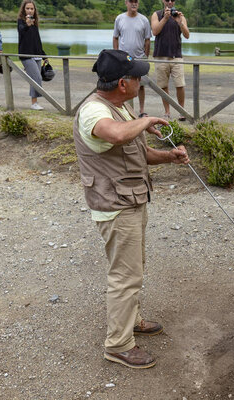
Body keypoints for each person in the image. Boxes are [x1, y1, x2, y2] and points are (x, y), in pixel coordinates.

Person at [73, 49, 189, 368]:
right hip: (115, 205)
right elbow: (116, 135)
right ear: (123, 83)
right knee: (125, 275)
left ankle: (132, 320)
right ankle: (118, 344)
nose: (142, 80)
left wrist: (169, 156)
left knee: (134, 267)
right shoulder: (94, 112)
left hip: (131, 200)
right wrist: (146, 120)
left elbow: (137, 151)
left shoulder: (118, 107)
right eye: (138, 76)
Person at [151, 0, 190, 121]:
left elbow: (187, 35)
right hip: (160, 56)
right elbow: (155, 31)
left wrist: (180, 23)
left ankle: (181, 111)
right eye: (167, 0)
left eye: (172, 0)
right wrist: (165, 18)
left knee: (180, 84)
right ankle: (167, 111)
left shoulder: (180, 16)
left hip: (176, 56)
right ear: (163, 1)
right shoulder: (156, 15)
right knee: (163, 86)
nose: (169, 2)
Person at [113, 0, 152, 117]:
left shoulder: (144, 20)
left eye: (136, 2)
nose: (133, 4)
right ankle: (127, 110)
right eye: (131, 2)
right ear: (126, 3)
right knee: (123, 84)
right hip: (124, 59)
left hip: (140, 58)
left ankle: (141, 110)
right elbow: (115, 37)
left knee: (141, 85)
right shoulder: (119, 19)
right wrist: (116, 54)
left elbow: (147, 40)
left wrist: (145, 56)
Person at [17, 0, 46, 111]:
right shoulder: (21, 21)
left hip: (37, 54)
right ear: (24, 10)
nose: (30, 10)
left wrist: (44, 55)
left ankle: (34, 103)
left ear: (34, 10)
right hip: (26, 55)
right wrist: (27, 25)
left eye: (32, 8)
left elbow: (37, 40)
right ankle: (35, 102)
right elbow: (21, 32)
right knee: (36, 78)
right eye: (27, 8)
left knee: (35, 78)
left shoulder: (35, 22)